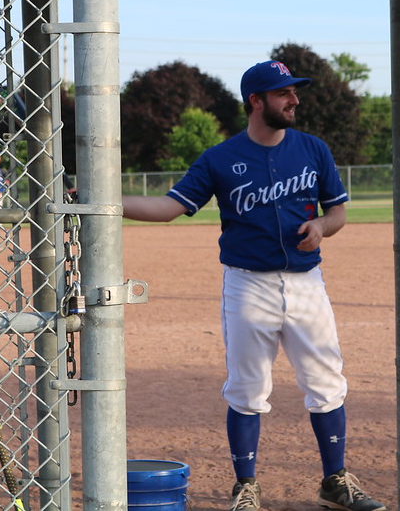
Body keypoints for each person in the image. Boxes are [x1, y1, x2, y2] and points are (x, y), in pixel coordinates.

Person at [122, 60, 385, 511]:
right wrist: (102, 200)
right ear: (256, 101)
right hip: (248, 286)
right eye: (284, 93)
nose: (294, 100)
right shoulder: (220, 158)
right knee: (247, 387)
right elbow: (168, 207)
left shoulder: (313, 149)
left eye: (295, 92)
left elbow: (338, 212)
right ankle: (246, 487)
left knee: (326, 382)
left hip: (307, 283)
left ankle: (335, 481)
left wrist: (323, 225)